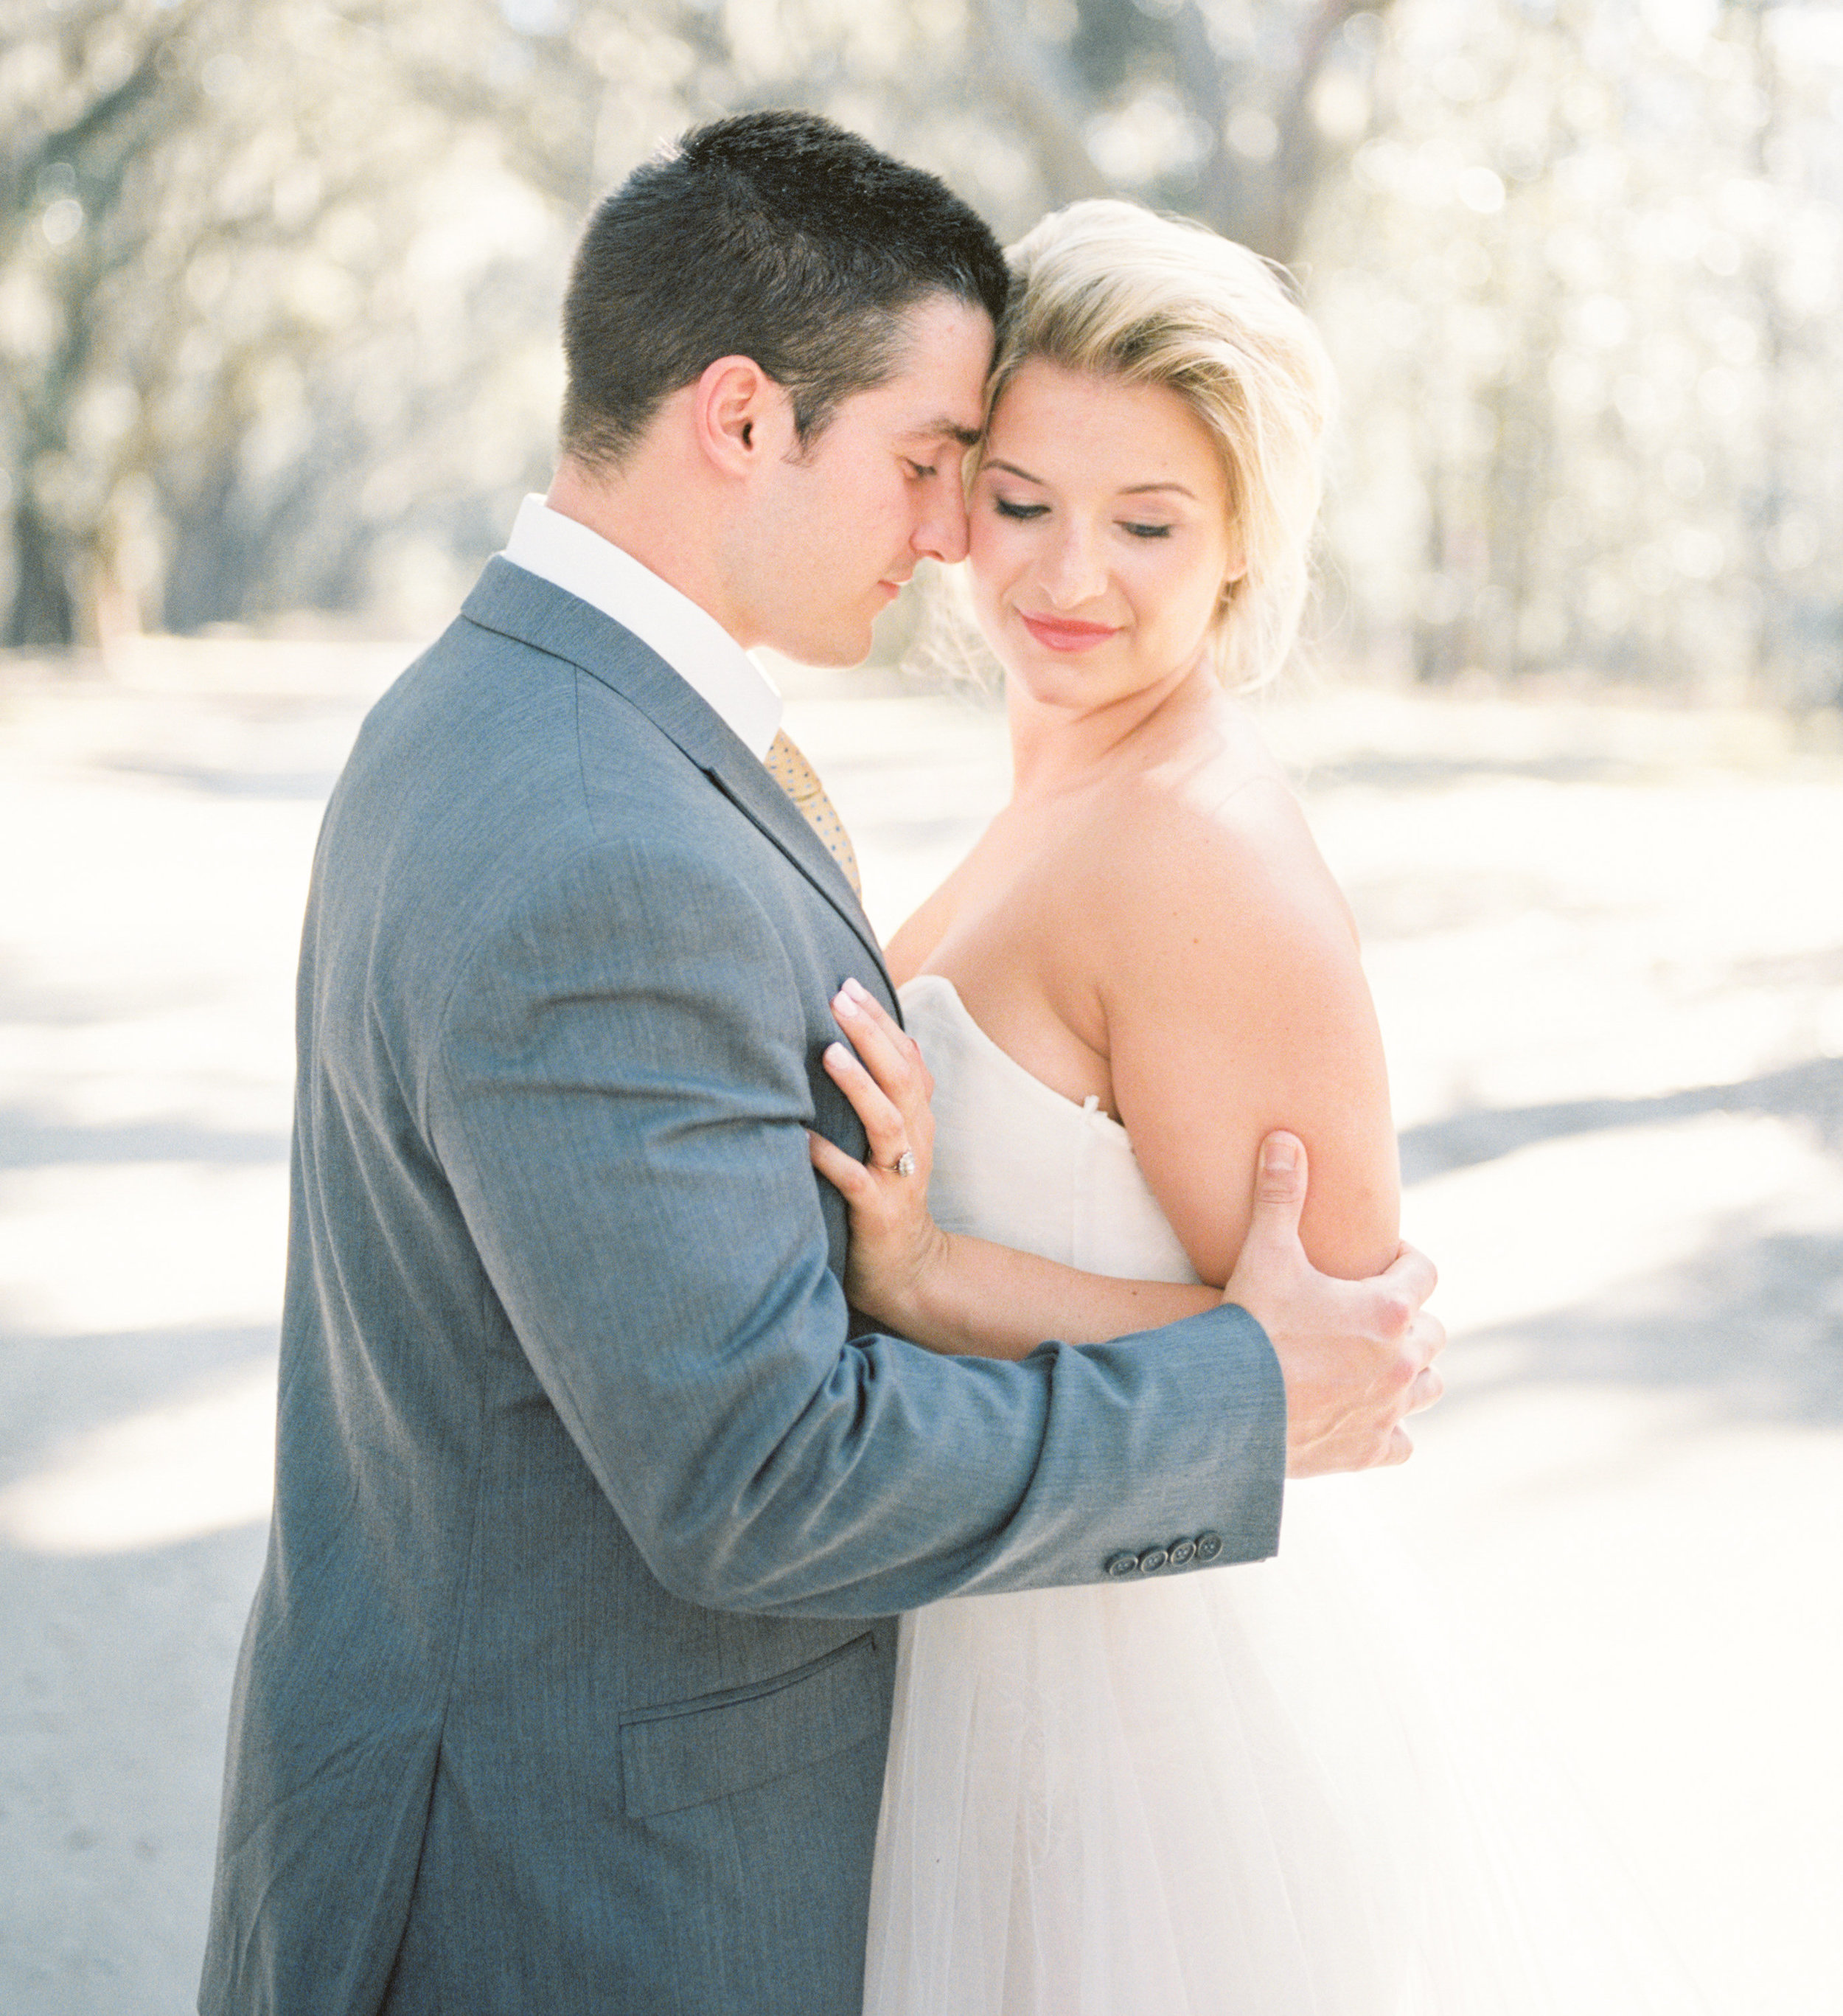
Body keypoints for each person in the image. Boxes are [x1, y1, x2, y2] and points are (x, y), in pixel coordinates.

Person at [198, 116, 1441, 2016]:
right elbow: (761, 1474)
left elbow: (1342, 1333)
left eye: (1136, 517)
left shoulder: (503, 707)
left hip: (1048, 1764)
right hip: (574, 1886)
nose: (965, 539)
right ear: (741, 418)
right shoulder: (603, 827)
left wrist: (1036, 1307)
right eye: (954, 471)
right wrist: (1210, 1386)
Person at [812, 198, 1703, 2016]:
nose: (1071, 575)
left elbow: (1343, 1382)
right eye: (1023, 502)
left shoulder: (1193, 847)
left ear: (1237, 550)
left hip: (1141, 1722)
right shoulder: (1064, 783)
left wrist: (930, 1279)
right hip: (1009, 1631)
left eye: (1149, 522)